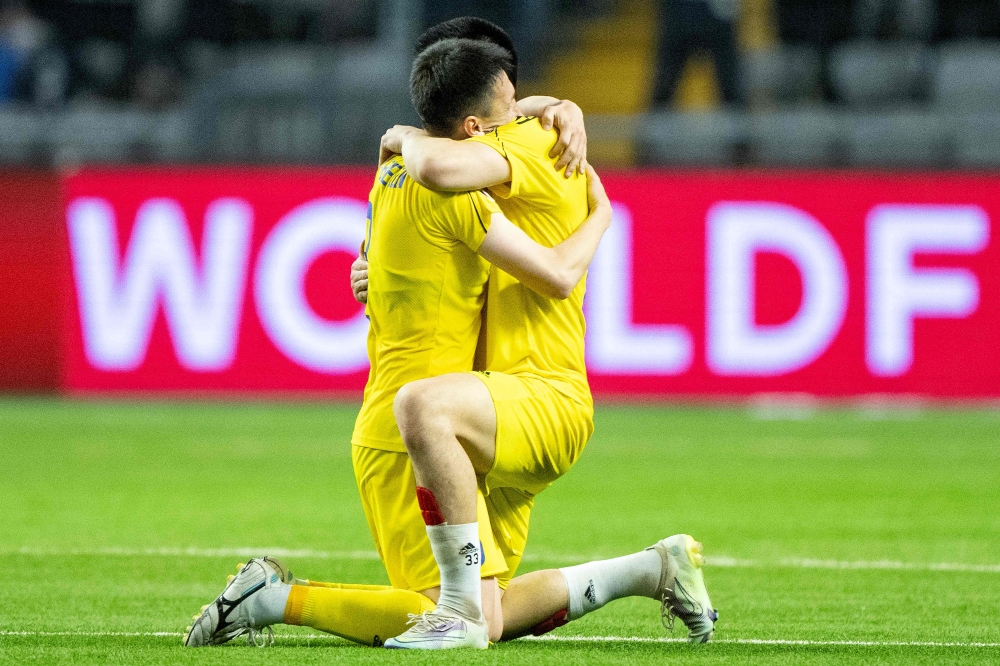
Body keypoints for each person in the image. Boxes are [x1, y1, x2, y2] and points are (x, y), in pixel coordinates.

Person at [183, 18, 716, 651]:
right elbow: (415, 208)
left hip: (477, 411)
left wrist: (404, 142)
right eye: (513, 101)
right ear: (481, 117)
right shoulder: (469, 171)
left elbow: (441, 180)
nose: (524, 111)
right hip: (466, 421)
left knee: (447, 607)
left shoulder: (447, 168)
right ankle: (649, 569)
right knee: (485, 614)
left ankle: (277, 599)